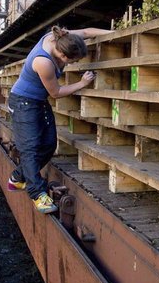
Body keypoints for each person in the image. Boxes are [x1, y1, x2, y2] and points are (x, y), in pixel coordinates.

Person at [7, 25, 108, 213]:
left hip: (37, 101)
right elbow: (56, 92)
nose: (71, 64)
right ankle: (38, 195)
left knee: (48, 145)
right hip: (23, 103)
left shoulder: (64, 38)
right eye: (72, 61)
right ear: (63, 56)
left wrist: (115, 33)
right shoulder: (43, 62)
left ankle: (16, 178)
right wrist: (82, 83)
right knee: (30, 148)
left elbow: (86, 32)